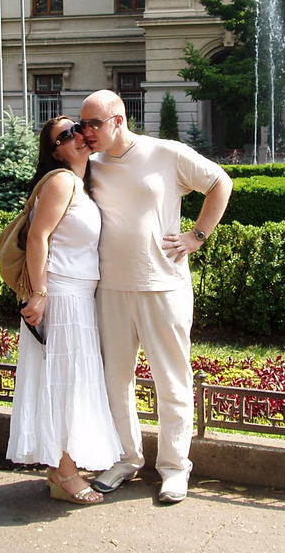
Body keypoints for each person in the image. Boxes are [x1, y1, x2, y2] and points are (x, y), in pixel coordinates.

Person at [78, 90, 233, 504]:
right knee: (115, 380)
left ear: (119, 119)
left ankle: (175, 468)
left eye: (95, 123)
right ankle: (126, 458)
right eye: (83, 124)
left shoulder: (166, 153)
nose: (87, 132)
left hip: (164, 285)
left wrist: (197, 236)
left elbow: (221, 182)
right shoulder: (89, 166)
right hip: (109, 287)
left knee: (172, 380)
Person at [6, 116, 122, 505]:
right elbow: (39, 237)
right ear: (54, 149)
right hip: (60, 294)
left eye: (78, 129)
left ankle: (64, 465)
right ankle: (63, 472)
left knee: (71, 382)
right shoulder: (60, 181)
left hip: (78, 295)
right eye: (65, 135)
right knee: (67, 383)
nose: (77, 136)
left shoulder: (82, 185)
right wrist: (38, 294)